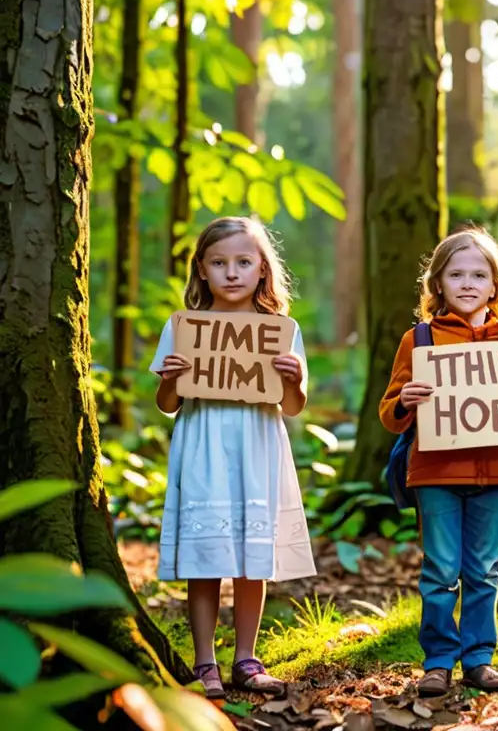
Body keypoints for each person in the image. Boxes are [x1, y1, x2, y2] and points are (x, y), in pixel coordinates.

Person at [380, 227, 498, 697]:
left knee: (484, 570)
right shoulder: (418, 339)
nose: (467, 283)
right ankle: (438, 661)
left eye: (478, 275)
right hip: (435, 473)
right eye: (456, 274)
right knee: (441, 570)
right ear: (437, 284)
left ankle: (479, 659)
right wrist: (406, 398)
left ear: (495, 286)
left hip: (493, 472)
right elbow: (389, 413)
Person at [150, 216, 316, 698]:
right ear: (201, 270)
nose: (232, 272)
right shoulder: (183, 328)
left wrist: (293, 379)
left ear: (263, 269)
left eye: (244, 262)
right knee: (205, 559)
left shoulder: (280, 331)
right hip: (203, 445)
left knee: (251, 556)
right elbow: (168, 404)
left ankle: (246, 658)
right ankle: (206, 664)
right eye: (219, 263)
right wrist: (169, 378)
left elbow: (291, 406)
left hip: (257, 446)